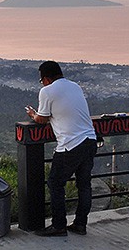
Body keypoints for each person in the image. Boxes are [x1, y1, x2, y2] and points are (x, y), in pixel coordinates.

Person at [26, 61, 97, 236]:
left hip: (70, 144)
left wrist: (33, 114)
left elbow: (42, 119)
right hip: (90, 139)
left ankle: (59, 225)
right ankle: (80, 224)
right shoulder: (75, 86)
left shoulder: (47, 91)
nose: (42, 83)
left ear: (47, 78)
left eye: (41, 80)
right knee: (84, 185)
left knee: (55, 183)